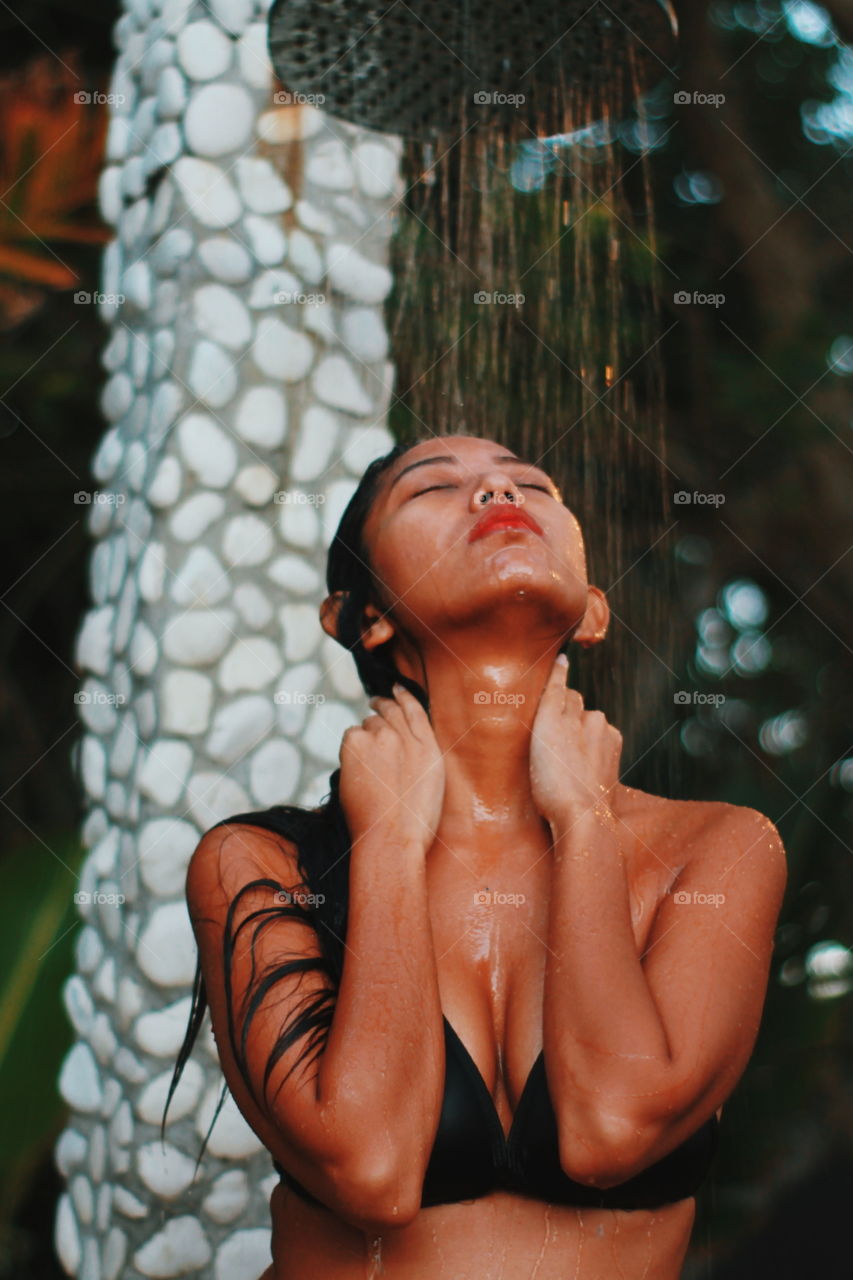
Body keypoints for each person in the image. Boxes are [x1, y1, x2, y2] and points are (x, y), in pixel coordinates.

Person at [165, 433, 787, 1279]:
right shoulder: (260, 864)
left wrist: (583, 820)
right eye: (432, 489)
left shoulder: (716, 849)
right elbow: (372, 1171)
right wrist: (387, 839)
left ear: (592, 608)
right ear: (363, 614)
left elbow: (613, 1128)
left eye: (529, 484)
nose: (497, 495)